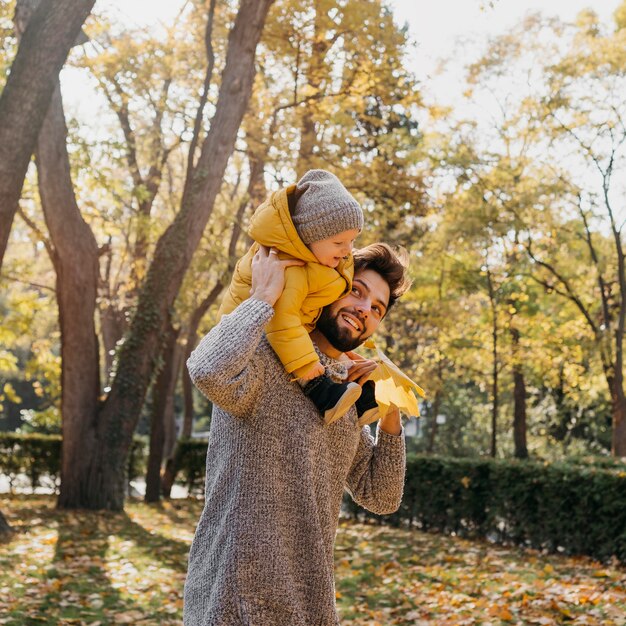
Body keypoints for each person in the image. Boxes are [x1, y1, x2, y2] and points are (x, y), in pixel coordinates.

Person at [183, 242, 412, 626]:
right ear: (328, 284)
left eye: (377, 308)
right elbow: (207, 370)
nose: (364, 310)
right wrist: (262, 298)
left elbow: (382, 496)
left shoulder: (343, 392)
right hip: (232, 597)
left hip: (310, 604)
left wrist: (388, 413)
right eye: (356, 291)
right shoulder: (264, 352)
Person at [218, 169, 371, 424]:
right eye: (339, 243)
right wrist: (310, 370)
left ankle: (363, 404)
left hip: (288, 332)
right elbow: (282, 321)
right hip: (252, 343)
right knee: (311, 369)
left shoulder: (317, 260)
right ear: (309, 237)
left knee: (345, 360)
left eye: (353, 241)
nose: (347, 251)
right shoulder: (287, 266)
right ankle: (323, 394)